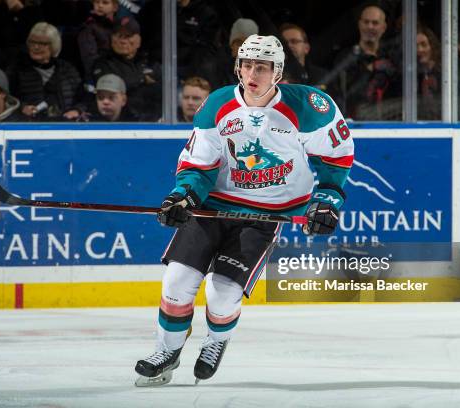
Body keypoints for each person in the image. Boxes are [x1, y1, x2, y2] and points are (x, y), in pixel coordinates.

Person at [134, 35, 354, 386]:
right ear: (238, 66)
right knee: (177, 281)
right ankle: (167, 350)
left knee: (222, 295)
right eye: (247, 64)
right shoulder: (218, 104)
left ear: (278, 72)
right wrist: (182, 197)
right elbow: (199, 164)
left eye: (262, 67)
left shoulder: (309, 107)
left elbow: (336, 155)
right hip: (214, 207)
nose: (253, 73)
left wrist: (328, 198)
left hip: (266, 216)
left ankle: (217, 340)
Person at [333, 4, 400, 120]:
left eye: (375, 23)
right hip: (355, 125)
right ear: (359, 24)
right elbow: (341, 94)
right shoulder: (345, 58)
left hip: (389, 124)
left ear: (383, 27)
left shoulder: (392, 59)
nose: (370, 26)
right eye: (366, 22)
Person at [7, 22, 83, 120]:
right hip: (30, 126)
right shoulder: (16, 69)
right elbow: (6, 97)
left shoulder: (67, 69)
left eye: (42, 43)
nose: (36, 47)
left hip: (65, 126)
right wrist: (22, 107)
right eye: (32, 42)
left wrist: (77, 110)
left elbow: (84, 98)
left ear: (54, 45)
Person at [91, 16, 161, 121]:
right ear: (111, 38)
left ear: (139, 41)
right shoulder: (103, 64)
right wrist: (142, 80)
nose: (123, 41)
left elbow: (162, 90)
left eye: (128, 36)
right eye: (119, 36)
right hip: (121, 121)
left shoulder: (150, 61)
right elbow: (113, 91)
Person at [0, 0, 44, 69]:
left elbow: (36, 37)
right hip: (2, 65)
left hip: (29, 62)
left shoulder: (34, 9)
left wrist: (21, 11)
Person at [280, 23, 330, 91]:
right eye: (284, 43)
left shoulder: (323, 76)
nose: (289, 45)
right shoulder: (274, 76)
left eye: (294, 41)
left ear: (306, 48)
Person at [77, 0, 120, 79]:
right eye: (97, 2)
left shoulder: (120, 25)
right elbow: (90, 60)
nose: (100, 6)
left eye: (105, 2)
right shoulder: (88, 28)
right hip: (101, 76)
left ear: (115, 7)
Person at [416, 26, 441, 120]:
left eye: (423, 44)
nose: (420, 50)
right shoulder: (406, 77)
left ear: (432, 46)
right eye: (415, 46)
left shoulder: (445, 74)